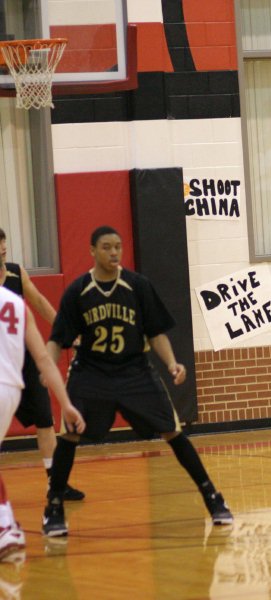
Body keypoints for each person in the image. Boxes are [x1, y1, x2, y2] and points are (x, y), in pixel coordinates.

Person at [41, 225, 233, 537]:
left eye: (117, 246)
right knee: (70, 434)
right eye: (106, 247)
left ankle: (213, 497)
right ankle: (54, 507)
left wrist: (172, 363)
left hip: (135, 371)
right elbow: (57, 338)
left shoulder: (137, 286)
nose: (114, 252)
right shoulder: (78, 291)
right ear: (92, 251)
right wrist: (46, 368)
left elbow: (155, 332)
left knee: (174, 431)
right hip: (92, 373)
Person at [0, 286, 85, 562]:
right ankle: (7, 525)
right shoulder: (17, 304)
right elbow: (44, 359)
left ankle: (6, 526)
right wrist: (66, 403)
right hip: (11, 390)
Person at [0, 228, 85, 501]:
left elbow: (39, 302)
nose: (2, 249)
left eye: (4, 244)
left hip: (24, 363)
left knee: (45, 422)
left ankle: (55, 485)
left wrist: (67, 331)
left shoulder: (16, 273)